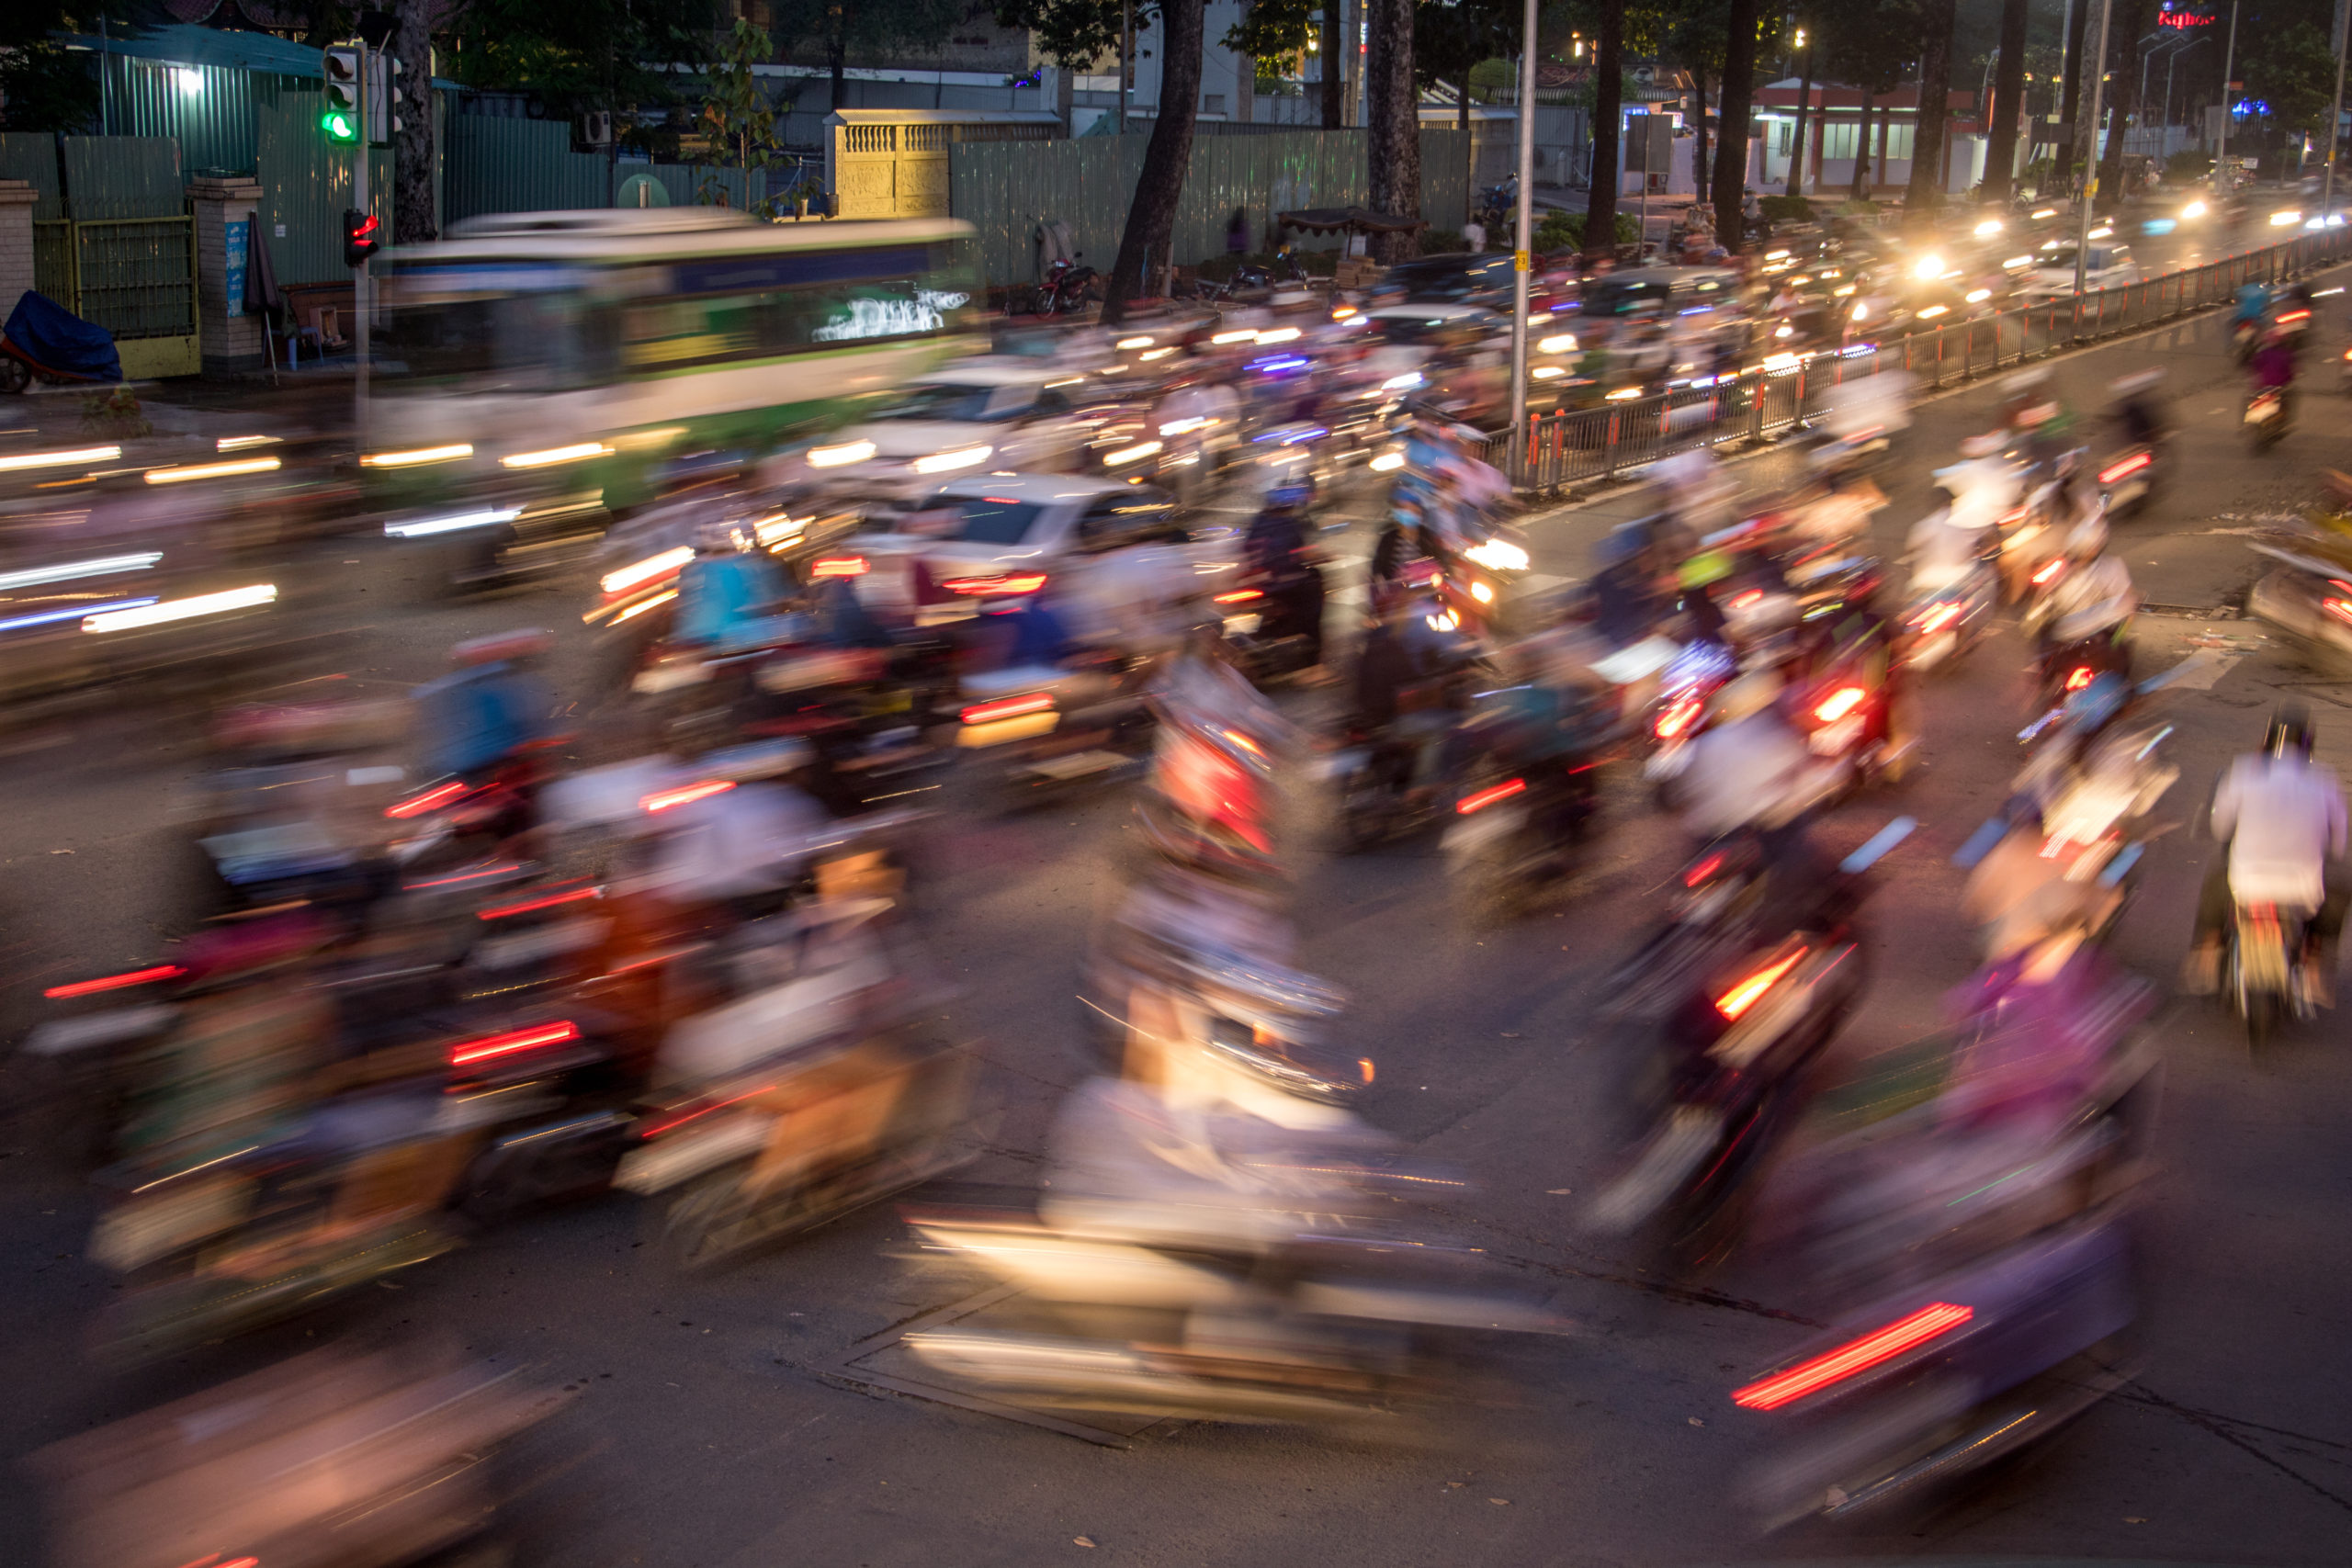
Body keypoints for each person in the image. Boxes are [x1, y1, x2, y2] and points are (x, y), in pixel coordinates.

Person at [2182, 705, 2349, 1005]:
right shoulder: (2325, 779)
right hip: (2303, 891)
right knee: (2338, 890)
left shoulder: (2244, 770)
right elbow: (2338, 845)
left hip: (2247, 886)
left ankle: (2207, 951)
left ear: (2266, 740)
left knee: (2217, 880)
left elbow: (2220, 829)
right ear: (2309, 744)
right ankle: (2314, 963)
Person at [1242, 482, 1328, 666]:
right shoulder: (1289, 524)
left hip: (1261, 584)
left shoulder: (1258, 522)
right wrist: (1325, 557)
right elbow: (1302, 554)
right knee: (1313, 607)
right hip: (1288, 586)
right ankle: (1313, 661)